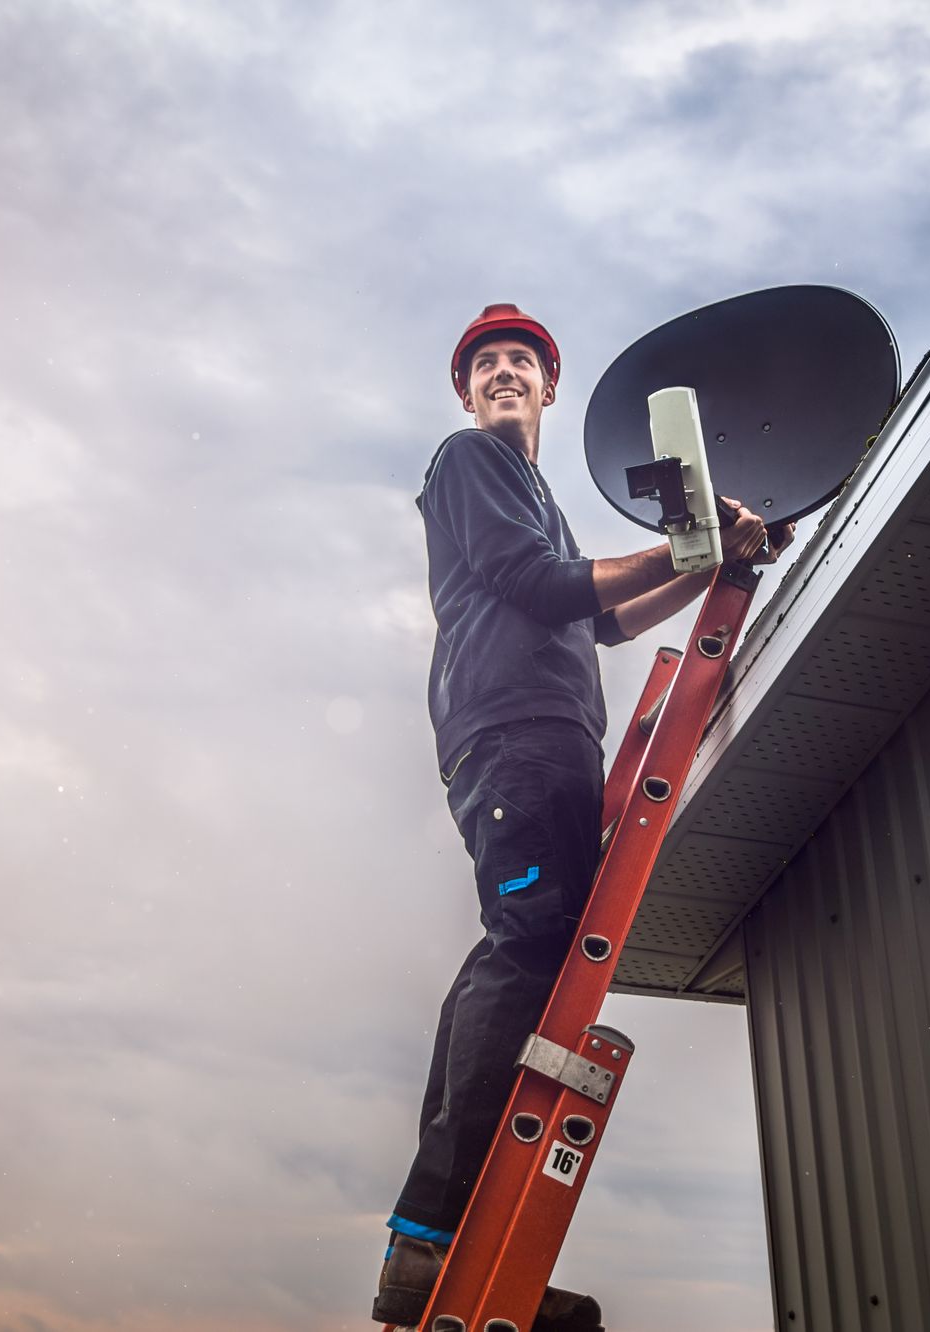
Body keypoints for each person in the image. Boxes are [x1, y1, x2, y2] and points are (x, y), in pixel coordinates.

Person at [374, 304, 790, 1328]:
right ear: (466, 391)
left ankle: (437, 1237)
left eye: (523, 361)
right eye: (488, 364)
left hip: (539, 735)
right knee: (531, 944)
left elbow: (598, 614)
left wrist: (706, 565)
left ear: (549, 387)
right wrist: (687, 546)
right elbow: (539, 587)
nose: (505, 373)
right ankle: (432, 1239)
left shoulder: (534, 496)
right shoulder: (470, 462)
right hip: (516, 731)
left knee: (517, 946)